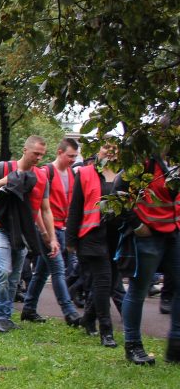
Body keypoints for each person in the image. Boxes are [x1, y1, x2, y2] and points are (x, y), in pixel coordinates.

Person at [0, 135, 59, 333]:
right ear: (25, 150)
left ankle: (6, 316)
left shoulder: (42, 178)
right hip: (0, 228)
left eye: (42, 155)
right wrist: (5, 181)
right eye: (35, 153)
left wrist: (51, 237)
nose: (39, 158)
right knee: (3, 271)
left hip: (23, 232)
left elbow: (45, 210)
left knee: (14, 277)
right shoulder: (4, 167)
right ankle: (0, 316)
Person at [115, 151, 179, 365]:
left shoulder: (174, 161)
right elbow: (118, 193)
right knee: (138, 290)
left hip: (174, 232)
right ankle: (133, 345)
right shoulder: (144, 161)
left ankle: (176, 346)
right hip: (148, 235)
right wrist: (137, 225)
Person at [20, 139, 82, 326]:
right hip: (48, 229)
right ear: (60, 152)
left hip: (62, 228)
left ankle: (29, 309)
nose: (73, 160)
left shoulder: (71, 173)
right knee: (58, 269)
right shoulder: (46, 172)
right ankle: (69, 312)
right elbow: (39, 206)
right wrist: (45, 232)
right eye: (70, 156)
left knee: (41, 271)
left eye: (75, 156)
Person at [65, 144, 120, 348]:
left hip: (117, 238)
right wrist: (70, 240)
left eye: (115, 147)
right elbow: (75, 208)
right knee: (103, 282)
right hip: (93, 236)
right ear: (99, 149)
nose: (111, 151)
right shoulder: (86, 173)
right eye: (107, 147)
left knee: (110, 283)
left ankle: (88, 317)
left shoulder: (126, 174)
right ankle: (106, 331)